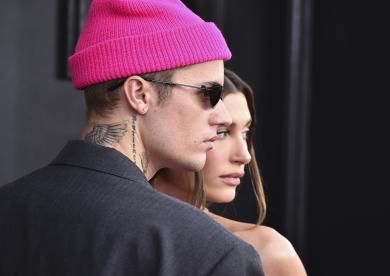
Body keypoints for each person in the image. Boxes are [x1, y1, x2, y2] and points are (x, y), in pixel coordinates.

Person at [0, 1, 264, 275]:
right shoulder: (207, 254)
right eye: (209, 93)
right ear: (139, 94)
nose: (222, 116)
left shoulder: (7, 209)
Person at [154, 69, 308, 276]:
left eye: (245, 133)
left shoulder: (268, 252)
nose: (244, 155)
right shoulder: (117, 231)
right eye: (222, 132)